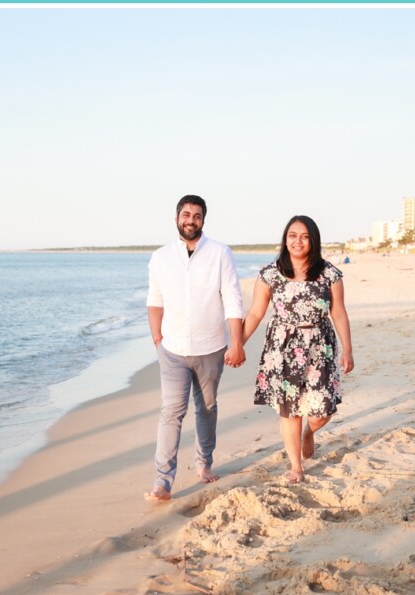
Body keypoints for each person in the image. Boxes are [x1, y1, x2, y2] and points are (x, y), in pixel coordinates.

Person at [146, 196, 245, 502]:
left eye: (197, 215)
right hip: (172, 348)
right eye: (186, 214)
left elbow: (232, 299)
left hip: (211, 347)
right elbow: (155, 300)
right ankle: (163, 481)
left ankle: (204, 464)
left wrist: (236, 342)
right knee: (171, 412)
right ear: (177, 218)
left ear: (203, 220)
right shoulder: (161, 257)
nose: (191, 219)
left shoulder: (220, 253)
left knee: (207, 408)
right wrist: (157, 340)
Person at [242, 215, 354, 483]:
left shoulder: (330, 274)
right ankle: (296, 466)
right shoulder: (270, 274)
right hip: (282, 349)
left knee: (323, 411)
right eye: (292, 235)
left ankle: (309, 432)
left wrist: (347, 349)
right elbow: (256, 313)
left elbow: (338, 312)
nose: (297, 241)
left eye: (304, 236)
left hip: (320, 348)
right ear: (285, 239)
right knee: (290, 411)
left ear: (313, 240)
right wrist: (238, 343)